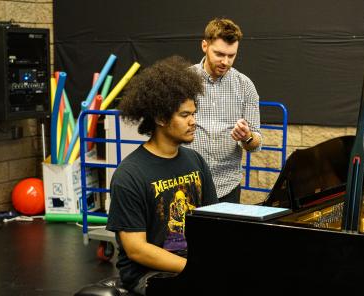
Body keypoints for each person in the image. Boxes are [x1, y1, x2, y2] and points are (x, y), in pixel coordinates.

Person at [106, 55, 218, 295]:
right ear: (160, 118)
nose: (193, 122)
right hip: (148, 273)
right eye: (184, 115)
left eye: (194, 114)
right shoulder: (130, 175)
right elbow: (136, 249)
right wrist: (194, 268)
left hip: (188, 262)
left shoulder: (195, 161)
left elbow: (213, 222)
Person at [187, 17, 262, 203]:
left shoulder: (245, 86)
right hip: (186, 182)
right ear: (205, 46)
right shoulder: (183, 80)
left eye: (231, 55)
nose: (226, 62)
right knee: (183, 234)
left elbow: (256, 142)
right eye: (219, 54)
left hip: (227, 185)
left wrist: (247, 137)